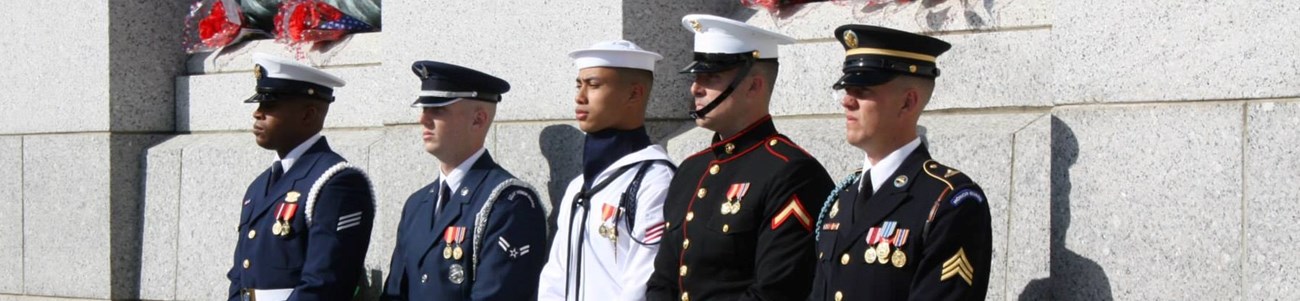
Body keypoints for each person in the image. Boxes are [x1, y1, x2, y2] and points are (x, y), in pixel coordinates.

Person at [645, 14, 834, 301]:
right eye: (696, 77)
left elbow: (778, 290)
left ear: (753, 86)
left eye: (711, 77)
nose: (695, 88)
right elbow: (663, 280)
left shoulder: (791, 172)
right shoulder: (691, 169)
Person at [807, 24, 992, 301]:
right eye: (845, 89)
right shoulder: (843, 199)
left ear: (907, 103)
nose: (846, 101)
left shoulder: (950, 201)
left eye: (862, 90)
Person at [381, 60, 550, 300]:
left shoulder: (509, 204)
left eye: (438, 109)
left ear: (478, 120)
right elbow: (395, 292)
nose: (423, 119)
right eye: (423, 109)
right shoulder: (417, 204)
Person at [227, 53, 376, 301]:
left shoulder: (336, 182)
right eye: (259, 105)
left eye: (269, 106)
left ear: (308, 115)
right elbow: (239, 277)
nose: (257, 114)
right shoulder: (259, 186)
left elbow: (326, 283)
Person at [537, 40, 676, 301]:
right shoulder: (578, 186)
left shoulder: (654, 180)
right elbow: (555, 277)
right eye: (579, 85)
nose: (580, 97)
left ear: (634, 94)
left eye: (594, 85)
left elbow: (643, 285)